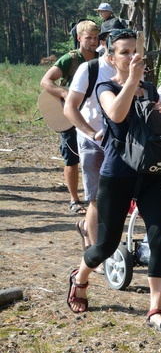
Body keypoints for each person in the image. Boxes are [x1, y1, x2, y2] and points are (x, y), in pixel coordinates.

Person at [66, 28, 161, 333]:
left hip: (150, 173)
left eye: (135, 51)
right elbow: (116, 115)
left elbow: (155, 127)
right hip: (117, 175)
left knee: (159, 239)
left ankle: (156, 308)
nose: (132, 57)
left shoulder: (151, 87)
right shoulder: (105, 86)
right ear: (112, 57)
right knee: (105, 245)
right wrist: (131, 80)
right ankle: (80, 278)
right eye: (125, 52)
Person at [63, 19, 123, 252]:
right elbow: (70, 108)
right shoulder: (89, 69)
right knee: (96, 197)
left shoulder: (132, 69)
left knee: (116, 197)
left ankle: (94, 233)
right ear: (105, 43)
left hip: (118, 142)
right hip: (91, 140)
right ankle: (95, 250)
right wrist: (91, 133)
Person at [41, 20, 99, 216]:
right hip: (71, 115)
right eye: (88, 37)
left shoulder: (102, 58)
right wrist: (65, 94)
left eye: (95, 37)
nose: (92, 41)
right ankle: (74, 199)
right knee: (71, 157)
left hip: (93, 116)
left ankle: (100, 199)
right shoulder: (70, 59)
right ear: (79, 38)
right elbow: (46, 81)